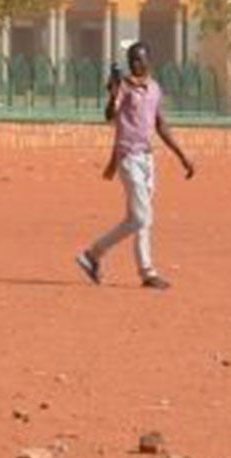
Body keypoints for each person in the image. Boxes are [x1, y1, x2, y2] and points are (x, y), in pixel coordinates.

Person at [74, 40, 195, 290]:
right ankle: (97, 255)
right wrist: (112, 93)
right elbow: (109, 116)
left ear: (149, 60)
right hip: (127, 157)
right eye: (132, 60)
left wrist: (181, 155)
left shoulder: (154, 89)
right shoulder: (124, 88)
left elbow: (160, 124)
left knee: (139, 217)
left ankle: (136, 269)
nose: (136, 64)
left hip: (147, 158)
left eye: (140, 59)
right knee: (142, 217)